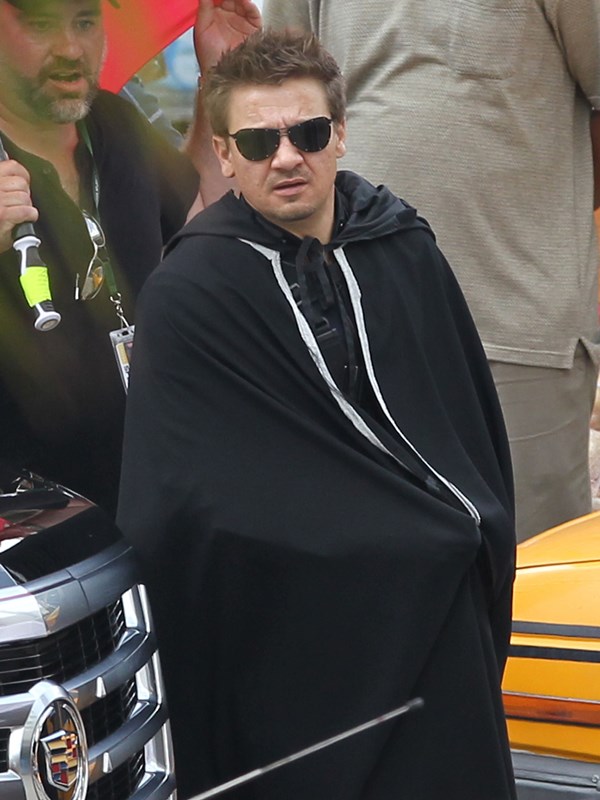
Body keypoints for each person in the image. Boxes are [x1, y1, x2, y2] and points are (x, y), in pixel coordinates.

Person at [117, 29, 517, 800]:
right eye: (258, 141)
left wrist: (462, 526)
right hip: (290, 621)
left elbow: (467, 429)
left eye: (305, 133)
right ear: (225, 154)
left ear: (339, 134)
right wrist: (381, 536)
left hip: (438, 592)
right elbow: (182, 508)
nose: (286, 157)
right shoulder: (191, 292)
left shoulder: (403, 247)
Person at [263, 0, 600, 542]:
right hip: (348, 332)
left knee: (531, 566)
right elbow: (277, 101)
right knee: (377, 568)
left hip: (515, 334)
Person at [0, 0, 260, 513]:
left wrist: (220, 78)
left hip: (158, 486)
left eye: (84, 21)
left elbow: (202, 224)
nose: (70, 48)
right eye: (41, 24)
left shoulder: (114, 121)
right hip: (39, 525)